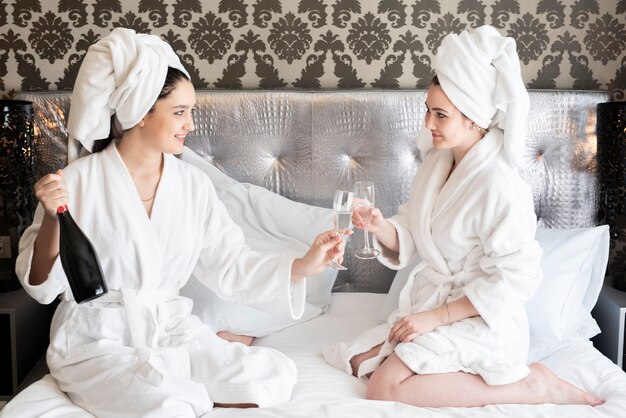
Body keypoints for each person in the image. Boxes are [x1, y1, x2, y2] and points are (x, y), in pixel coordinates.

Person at [17, 27, 346, 417]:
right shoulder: (77, 181)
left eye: (191, 111)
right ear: (140, 112)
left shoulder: (193, 185)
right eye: (179, 112)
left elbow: (231, 263)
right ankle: (172, 388)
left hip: (170, 328)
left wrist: (303, 266)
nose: (190, 124)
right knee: (166, 404)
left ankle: (180, 380)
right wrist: (56, 219)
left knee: (271, 375)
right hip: (98, 339)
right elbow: (42, 287)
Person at [323, 25, 604, 407]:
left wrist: (437, 318)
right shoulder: (437, 163)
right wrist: (380, 226)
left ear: (474, 118)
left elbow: (517, 278)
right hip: (436, 308)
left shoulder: (501, 185)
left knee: (382, 387)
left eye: (441, 115)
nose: (428, 124)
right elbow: (415, 228)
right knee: (359, 360)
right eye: (428, 110)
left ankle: (533, 386)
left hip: (481, 316)